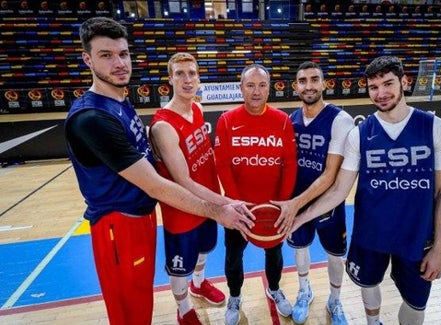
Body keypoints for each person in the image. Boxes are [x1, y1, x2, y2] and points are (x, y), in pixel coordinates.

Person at [64, 17, 254, 325]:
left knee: (143, 298)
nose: (119, 63)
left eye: (123, 54)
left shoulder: (120, 101)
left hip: (143, 215)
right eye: (106, 55)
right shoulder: (93, 119)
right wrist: (220, 208)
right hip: (119, 223)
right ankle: (184, 309)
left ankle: (198, 284)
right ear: (87, 59)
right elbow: (157, 184)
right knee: (131, 309)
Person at [290, 56, 441, 325]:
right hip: (370, 234)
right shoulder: (360, 134)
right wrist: (299, 216)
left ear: (405, 82)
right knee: (368, 287)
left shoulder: (437, 128)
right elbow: (338, 191)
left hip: (417, 236)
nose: (381, 93)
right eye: (374, 87)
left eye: (388, 84)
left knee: (415, 305)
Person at [149, 52, 239, 324]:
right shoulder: (163, 126)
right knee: (180, 266)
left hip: (207, 202)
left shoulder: (197, 109)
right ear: (170, 79)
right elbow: (183, 180)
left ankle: (199, 284)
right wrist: (223, 203)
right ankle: (184, 308)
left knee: (204, 249)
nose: (187, 79)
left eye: (192, 73)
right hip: (183, 209)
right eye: (180, 74)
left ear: (199, 77)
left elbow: (206, 156)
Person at [214, 64, 298, 325]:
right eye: (250, 85)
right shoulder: (227, 120)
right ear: (241, 88)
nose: (256, 91)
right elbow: (222, 165)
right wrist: (237, 202)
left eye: (262, 85)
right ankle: (235, 296)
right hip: (238, 208)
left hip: (272, 208)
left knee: (274, 254)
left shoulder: (282, 121)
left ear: (269, 88)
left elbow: (290, 164)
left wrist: (283, 203)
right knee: (233, 256)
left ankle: (274, 289)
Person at [271, 62, 354, 325]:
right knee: (299, 249)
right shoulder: (289, 121)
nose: (309, 85)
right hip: (295, 200)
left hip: (327, 203)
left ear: (324, 83)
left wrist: (297, 204)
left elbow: (330, 174)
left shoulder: (340, 120)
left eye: (314, 79)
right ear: (295, 87)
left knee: (335, 255)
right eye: (303, 80)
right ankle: (304, 290)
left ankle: (335, 300)